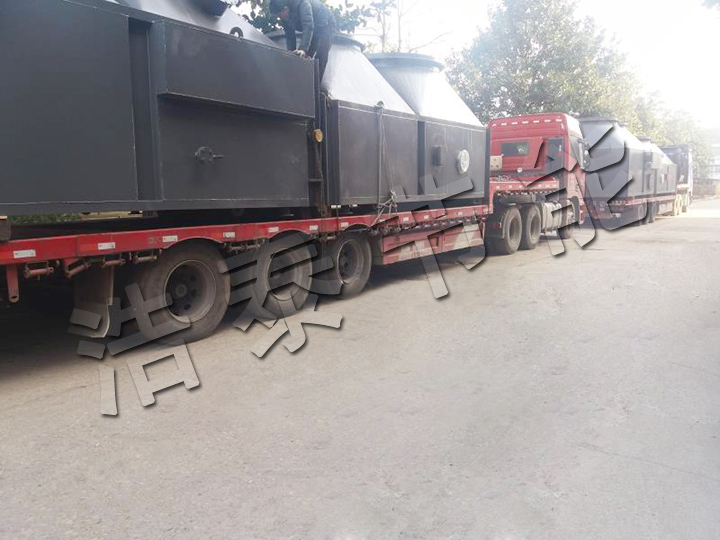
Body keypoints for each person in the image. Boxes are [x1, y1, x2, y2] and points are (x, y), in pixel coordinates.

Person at [270, 0, 335, 79]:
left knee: (321, 52)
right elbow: (290, 36)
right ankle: (303, 80)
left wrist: (303, 49)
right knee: (303, 56)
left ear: (285, 9)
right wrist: (291, 54)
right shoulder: (285, 17)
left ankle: (316, 83)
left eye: (279, 15)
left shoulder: (302, 4)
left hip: (326, 24)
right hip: (313, 28)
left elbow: (308, 26)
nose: (279, 17)